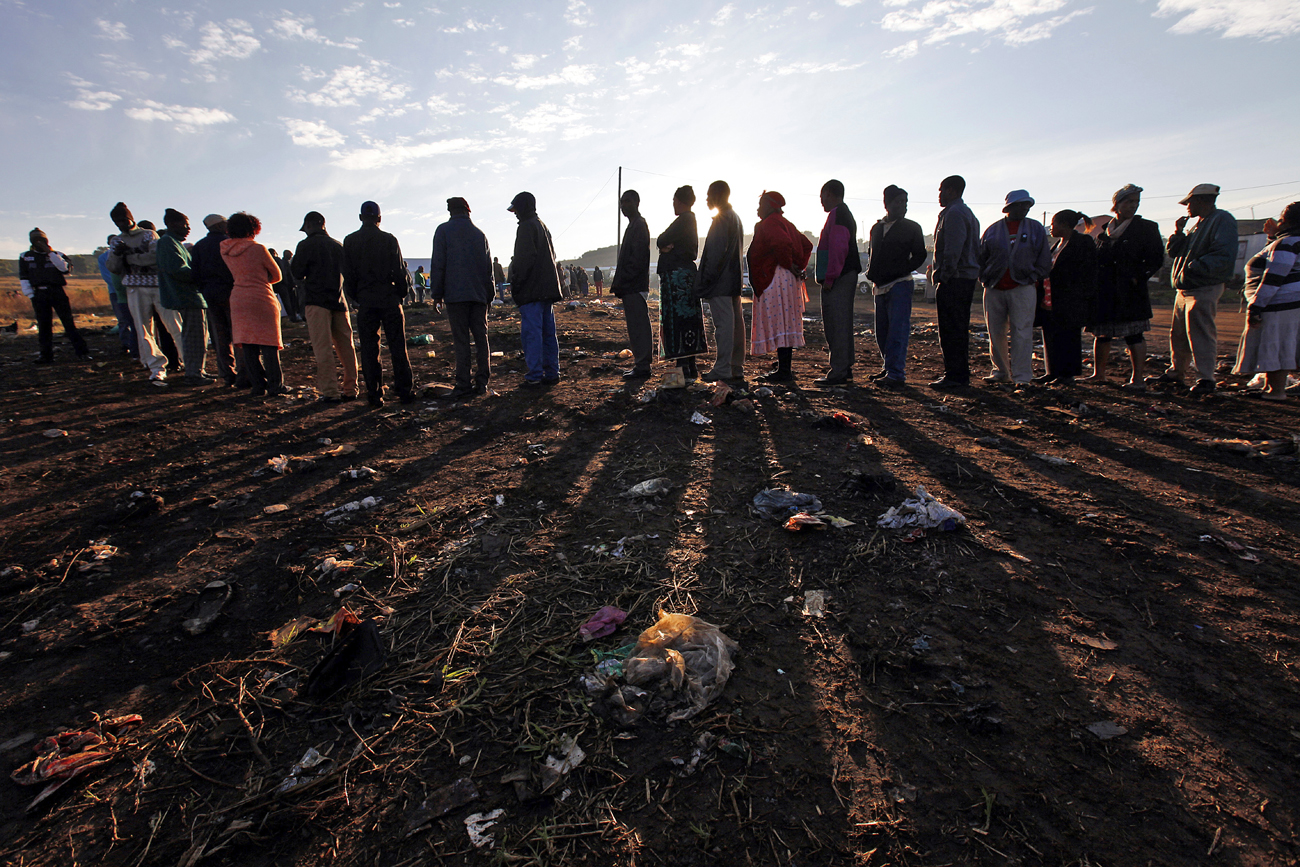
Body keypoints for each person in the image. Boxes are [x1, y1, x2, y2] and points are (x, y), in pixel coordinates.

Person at [1152, 183, 1238, 396]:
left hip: (1203, 286)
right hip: (1185, 287)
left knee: (1200, 332)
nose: (1187, 207)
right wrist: (1178, 232)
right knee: (1179, 333)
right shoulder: (1198, 224)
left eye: (1189, 202)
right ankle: (1176, 371)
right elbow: (1174, 252)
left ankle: (1205, 378)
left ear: (1202, 201)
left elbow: (1223, 254)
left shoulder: (1222, 220)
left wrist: (1192, 269)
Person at [1087, 185, 1164, 390]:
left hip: (1130, 289)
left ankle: (1137, 379)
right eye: (1129, 201)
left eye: (1136, 202)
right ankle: (1099, 374)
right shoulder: (1104, 232)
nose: (1133, 206)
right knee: (1102, 333)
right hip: (1105, 289)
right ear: (1117, 204)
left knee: (1134, 333)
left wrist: (1138, 277)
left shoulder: (1146, 228)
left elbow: (1156, 258)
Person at [343, 200, 416, 407]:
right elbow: (400, 272)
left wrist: (357, 297)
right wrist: (400, 295)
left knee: (369, 349)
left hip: (366, 301)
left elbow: (348, 274)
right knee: (398, 348)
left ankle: (375, 395)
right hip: (389, 299)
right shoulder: (388, 240)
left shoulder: (350, 241)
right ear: (379, 218)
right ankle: (404, 391)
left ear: (360, 218)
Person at [978, 190, 1052, 386]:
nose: (1025, 209)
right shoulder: (992, 230)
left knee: (1022, 331)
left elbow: (1044, 259)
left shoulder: (1035, 229)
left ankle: (1022, 376)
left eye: (1027, 205)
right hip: (994, 287)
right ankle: (1001, 371)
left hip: (1023, 287)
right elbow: (981, 257)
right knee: (995, 331)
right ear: (1009, 207)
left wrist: (1034, 276)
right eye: (1021, 205)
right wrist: (984, 277)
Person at [107, 202, 183, 385]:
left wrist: (129, 257)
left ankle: (189, 361)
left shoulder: (149, 235)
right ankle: (156, 366)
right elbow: (113, 267)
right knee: (143, 330)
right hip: (134, 287)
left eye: (123, 220)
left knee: (174, 325)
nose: (121, 224)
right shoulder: (117, 241)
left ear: (131, 218)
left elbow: (154, 259)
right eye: (117, 222)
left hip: (157, 285)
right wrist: (118, 255)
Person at [1232, 202, 1300, 401]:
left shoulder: (1287, 243)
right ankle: (1272, 389)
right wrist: (1272, 237)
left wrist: (1256, 306)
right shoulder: (1288, 242)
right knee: (1284, 344)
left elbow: (1273, 277)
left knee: (1276, 345)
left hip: (1279, 304)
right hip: (1290, 304)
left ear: (1286, 221)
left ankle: (1276, 391)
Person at [429, 197, 494, 398]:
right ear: (468, 211)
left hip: (455, 296)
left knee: (461, 341)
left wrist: (437, 295)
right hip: (478, 296)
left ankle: (463, 383)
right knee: (481, 339)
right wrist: (489, 296)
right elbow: (488, 269)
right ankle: (482, 382)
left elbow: (438, 264)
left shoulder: (443, 231)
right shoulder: (479, 234)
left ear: (450, 212)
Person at [747, 191, 812, 383]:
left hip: (776, 277)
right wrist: (797, 266)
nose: (758, 209)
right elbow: (806, 245)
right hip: (786, 278)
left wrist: (787, 263)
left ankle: (784, 371)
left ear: (769, 206)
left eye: (760, 205)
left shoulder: (770, 223)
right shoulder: (787, 224)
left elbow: (781, 243)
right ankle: (784, 367)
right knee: (785, 321)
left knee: (780, 321)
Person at [293, 210, 358, 403]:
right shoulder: (338, 245)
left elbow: (297, 272)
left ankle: (330, 392)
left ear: (312, 225)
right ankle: (351, 389)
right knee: (347, 347)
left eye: (306, 228)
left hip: (316, 301)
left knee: (323, 348)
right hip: (339, 301)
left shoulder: (305, 245)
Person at [866, 185, 927, 387]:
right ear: (887, 204)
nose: (903, 206)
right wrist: (871, 272)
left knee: (897, 331)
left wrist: (902, 269)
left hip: (900, 284)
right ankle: (888, 367)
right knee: (882, 331)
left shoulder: (911, 227)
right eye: (898, 202)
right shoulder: (877, 229)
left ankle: (896, 373)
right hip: (880, 285)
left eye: (905, 202)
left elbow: (920, 254)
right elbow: (872, 253)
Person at [221, 212, 285, 397]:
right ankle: (275, 385)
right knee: (269, 344)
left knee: (248, 344)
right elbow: (277, 275)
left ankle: (258, 385)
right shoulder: (258, 249)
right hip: (261, 296)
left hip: (238, 297)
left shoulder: (224, 248)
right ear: (253, 228)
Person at [929, 175, 981, 389]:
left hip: (956, 280)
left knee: (952, 330)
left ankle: (956, 376)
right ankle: (956, 374)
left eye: (941, 190)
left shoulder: (955, 214)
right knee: (955, 329)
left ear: (951, 191)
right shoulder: (962, 213)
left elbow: (953, 250)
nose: (939, 195)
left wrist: (944, 275)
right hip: (961, 279)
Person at [507, 191, 562, 387]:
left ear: (522, 207)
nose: (515, 214)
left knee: (532, 334)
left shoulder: (526, 227)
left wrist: (517, 285)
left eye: (515, 210)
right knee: (548, 333)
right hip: (546, 290)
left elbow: (523, 261)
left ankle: (535, 375)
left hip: (531, 291)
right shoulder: (542, 226)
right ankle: (552, 372)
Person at [1036, 210, 1098, 385]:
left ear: (1064, 224)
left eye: (1053, 223)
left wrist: (1080, 295)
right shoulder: (1057, 245)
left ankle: (1067, 374)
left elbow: (1088, 272)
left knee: (1068, 336)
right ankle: (1052, 371)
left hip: (1070, 299)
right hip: (1052, 299)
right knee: (1051, 334)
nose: (1051, 228)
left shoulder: (1082, 243)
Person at [156, 208, 211, 384]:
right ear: (171, 224)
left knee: (198, 336)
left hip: (190, 296)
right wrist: (203, 275)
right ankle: (193, 374)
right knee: (194, 337)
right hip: (187, 297)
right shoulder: (167, 243)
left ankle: (198, 370)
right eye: (184, 224)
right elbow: (178, 270)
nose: (188, 228)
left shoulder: (174, 242)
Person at [698, 180, 746, 383]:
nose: (707, 199)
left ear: (718, 196)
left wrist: (705, 281)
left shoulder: (721, 219)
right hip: (732, 280)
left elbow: (715, 255)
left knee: (724, 326)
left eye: (709, 195)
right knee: (735, 324)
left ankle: (723, 368)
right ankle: (735, 367)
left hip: (720, 283)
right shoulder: (735, 218)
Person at [814, 179, 861, 386]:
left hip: (840, 277)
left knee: (837, 323)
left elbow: (838, 248)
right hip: (842, 275)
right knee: (840, 322)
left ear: (830, 194)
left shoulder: (839, 214)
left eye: (822, 196)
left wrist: (830, 277)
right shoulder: (840, 213)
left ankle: (839, 372)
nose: (821, 201)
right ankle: (844, 368)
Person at [657, 185, 706, 381]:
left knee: (678, 320)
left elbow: (661, 240)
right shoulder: (690, 221)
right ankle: (689, 366)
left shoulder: (684, 220)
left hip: (677, 279)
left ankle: (682, 367)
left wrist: (667, 247)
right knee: (688, 319)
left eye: (674, 201)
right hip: (685, 277)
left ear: (678, 200)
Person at [18, 228, 89, 364]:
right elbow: (24, 276)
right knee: (44, 325)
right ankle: (46, 355)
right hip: (39, 293)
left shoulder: (57, 254)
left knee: (68, 323)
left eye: (42, 240)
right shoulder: (25, 256)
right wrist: (30, 294)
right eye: (36, 240)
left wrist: (49, 253)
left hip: (57, 291)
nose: (39, 243)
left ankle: (82, 352)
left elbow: (65, 269)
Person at [191, 214, 244, 387]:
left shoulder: (199, 246)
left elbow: (195, 274)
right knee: (238, 334)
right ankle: (244, 372)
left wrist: (205, 289)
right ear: (221, 226)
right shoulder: (230, 242)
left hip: (211, 295)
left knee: (220, 336)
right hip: (232, 293)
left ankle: (227, 373)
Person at [611, 190, 654, 380]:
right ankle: (641, 364)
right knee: (636, 326)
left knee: (638, 326)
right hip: (631, 285)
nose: (623, 206)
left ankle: (643, 365)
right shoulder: (633, 226)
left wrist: (624, 281)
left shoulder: (639, 225)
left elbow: (636, 260)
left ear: (637, 202)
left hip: (634, 286)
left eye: (627, 201)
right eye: (621, 202)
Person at [97, 235, 136, 357]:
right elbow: (108, 276)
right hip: (116, 291)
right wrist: (121, 285)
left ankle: (135, 345)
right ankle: (126, 345)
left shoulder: (127, 254)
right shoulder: (103, 258)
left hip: (130, 290)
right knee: (123, 319)